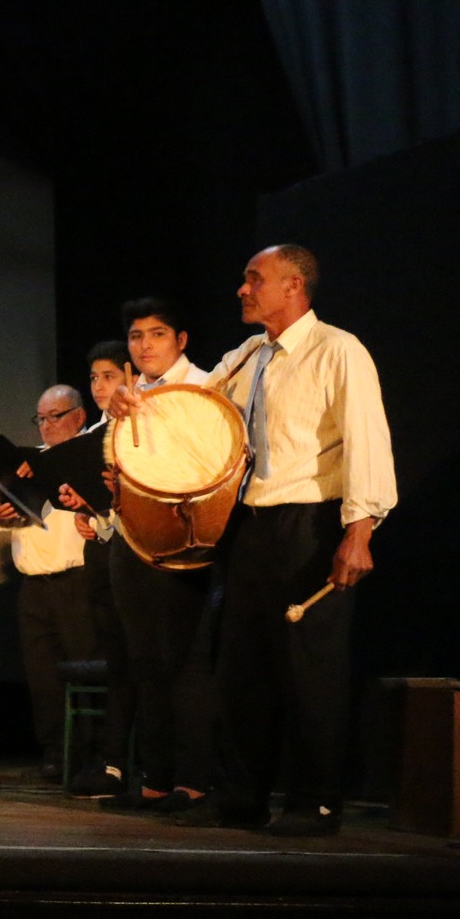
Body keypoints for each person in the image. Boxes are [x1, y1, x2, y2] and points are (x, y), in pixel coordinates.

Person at [168, 246, 395, 835]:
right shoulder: (247, 355)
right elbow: (192, 414)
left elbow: (367, 440)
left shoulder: (337, 350)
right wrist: (138, 404)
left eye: (255, 279)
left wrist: (359, 532)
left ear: (294, 285)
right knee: (242, 670)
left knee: (309, 669)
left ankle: (314, 801)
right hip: (250, 525)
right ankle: (239, 799)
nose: (242, 290)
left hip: (310, 524)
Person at [101, 298, 220, 810]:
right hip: (130, 536)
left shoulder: (206, 388)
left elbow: (215, 460)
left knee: (184, 659)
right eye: (136, 336)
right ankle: (155, 779)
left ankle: (193, 781)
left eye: (157, 334)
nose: (145, 345)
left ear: (181, 339)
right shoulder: (128, 397)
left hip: (183, 538)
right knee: (144, 659)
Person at [0, 385, 98, 783]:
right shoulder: (28, 463)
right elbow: (7, 514)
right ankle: (56, 751)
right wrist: (0, 509)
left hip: (77, 579)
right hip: (34, 582)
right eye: (40, 419)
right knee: (42, 674)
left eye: (55, 417)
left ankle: (93, 752)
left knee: (84, 667)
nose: (46, 426)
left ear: (79, 416)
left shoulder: (87, 457)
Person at [65, 340, 138, 799]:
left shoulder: (141, 426)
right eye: (93, 377)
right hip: (102, 554)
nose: (98, 386)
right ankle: (112, 765)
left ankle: (145, 767)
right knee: (117, 662)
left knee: (141, 662)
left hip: (141, 554)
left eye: (109, 376)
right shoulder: (94, 434)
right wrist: (85, 509)